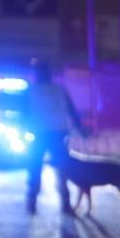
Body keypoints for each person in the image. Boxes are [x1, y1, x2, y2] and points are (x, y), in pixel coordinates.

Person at [25, 59, 79, 215]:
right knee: (60, 169)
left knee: (37, 169)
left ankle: (33, 203)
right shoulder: (58, 90)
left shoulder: (32, 90)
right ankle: (64, 204)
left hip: (42, 134)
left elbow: (23, 113)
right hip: (55, 134)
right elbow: (72, 110)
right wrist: (80, 127)